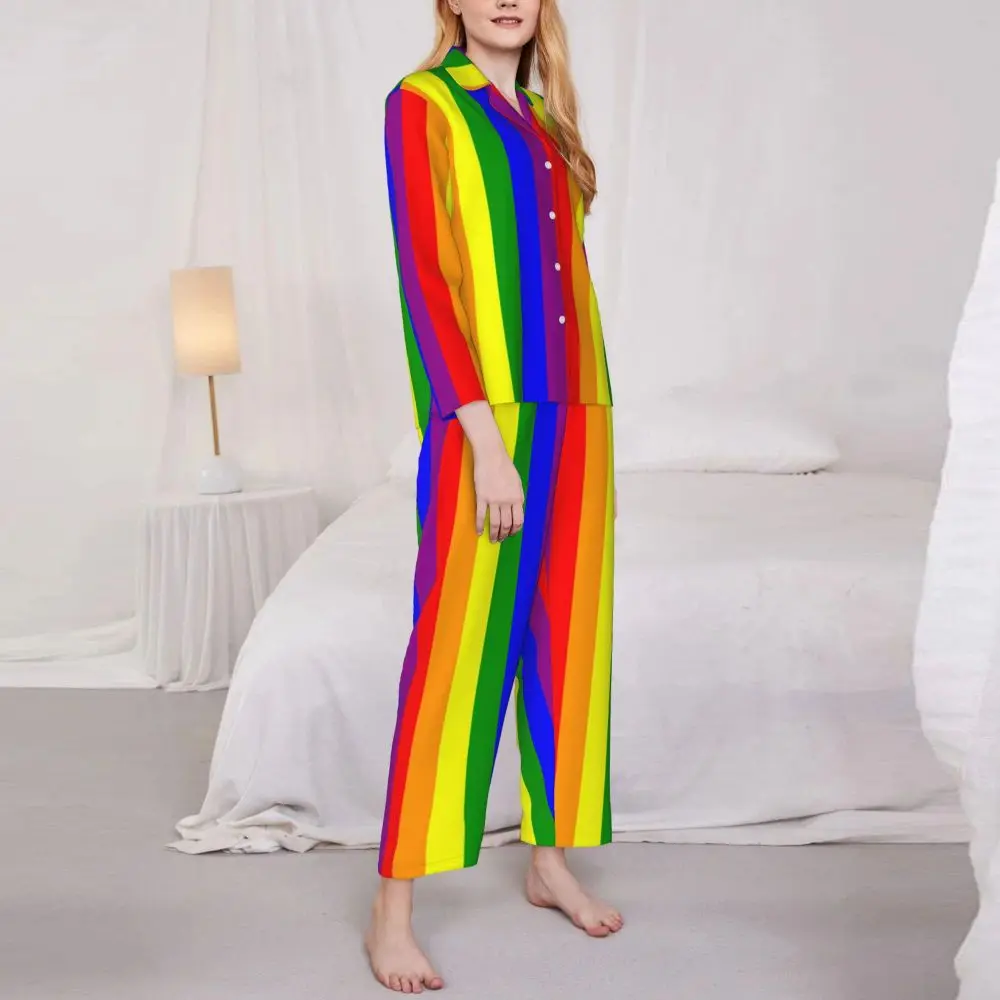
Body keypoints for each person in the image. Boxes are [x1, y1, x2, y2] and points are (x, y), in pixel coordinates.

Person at [367, 0, 620, 990]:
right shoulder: (423, 103)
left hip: (580, 405)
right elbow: (426, 281)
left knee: (565, 645)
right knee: (457, 651)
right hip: (490, 418)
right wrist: (482, 442)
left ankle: (548, 861)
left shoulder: (547, 118)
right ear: (453, 5)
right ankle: (393, 909)